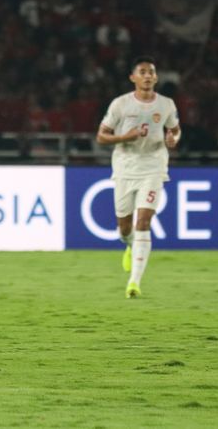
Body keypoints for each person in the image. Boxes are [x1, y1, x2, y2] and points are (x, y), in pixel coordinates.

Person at [96, 55, 181, 299]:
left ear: (155, 78)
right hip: (125, 167)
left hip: (153, 167)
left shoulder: (166, 105)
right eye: (142, 72)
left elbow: (175, 130)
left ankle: (134, 282)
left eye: (151, 72)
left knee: (143, 222)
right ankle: (130, 244)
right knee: (124, 228)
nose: (147, 76)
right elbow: (102, 136)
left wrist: (173, 139)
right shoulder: (120, 105)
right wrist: (125, 137)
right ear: (133, 77)